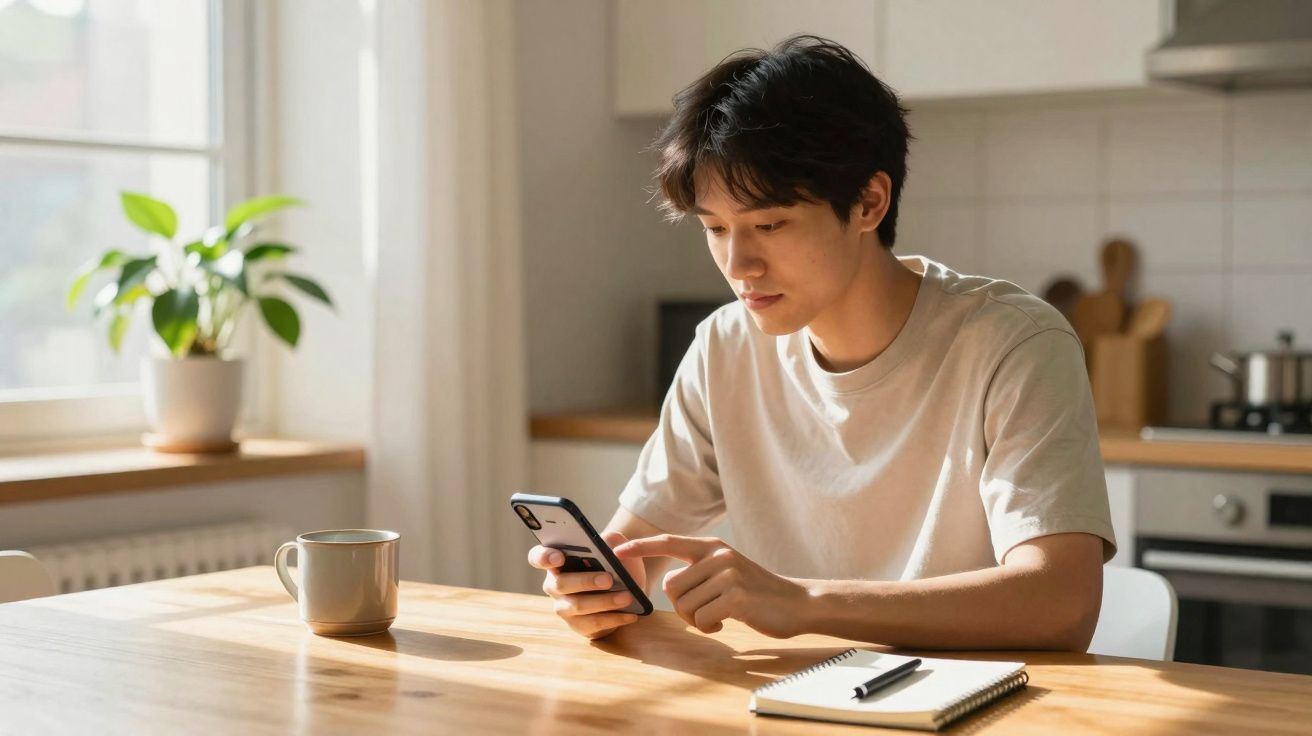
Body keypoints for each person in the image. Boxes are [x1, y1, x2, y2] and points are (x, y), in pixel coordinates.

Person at [527, 35, 1116, 651]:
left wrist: (802, 601)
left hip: (969, 703)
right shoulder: (724, 348)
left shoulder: (1015, 343)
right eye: (716, 229)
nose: (738, 264)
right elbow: (636, 551)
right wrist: (599, 592)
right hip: (791, 699)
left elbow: (1061, 601)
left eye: (769, 225)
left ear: (868, 202)